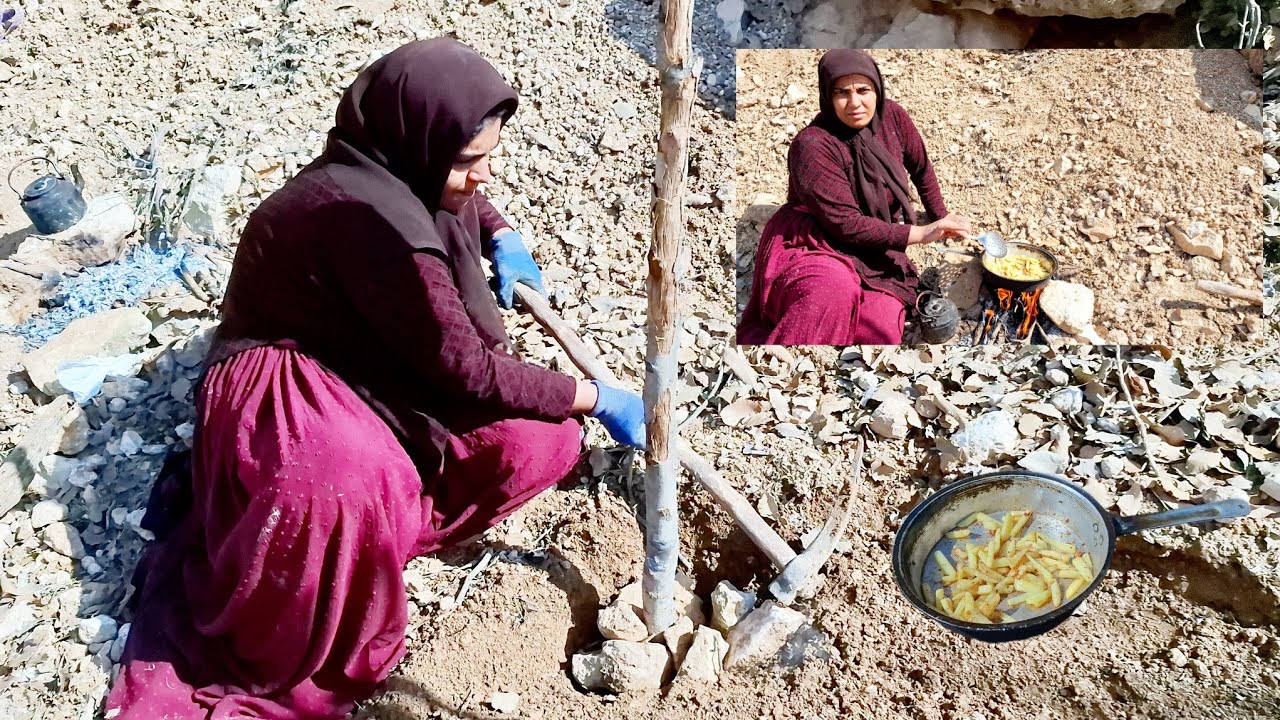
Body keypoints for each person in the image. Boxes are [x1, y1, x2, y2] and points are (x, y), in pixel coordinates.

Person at [104, 38, 645, 719]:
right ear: (414, 143)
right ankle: (335, 575)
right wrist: (596, 396)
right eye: (470, 163)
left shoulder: (407, 172)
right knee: (338, 484)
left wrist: (499, 234)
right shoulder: (374, 227)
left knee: (543, 443)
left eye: (491, 156)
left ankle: (383, 529)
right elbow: (468, 371)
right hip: (288, 361)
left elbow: (458, 201)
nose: (484, 177)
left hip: (375, 341)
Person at [738, 48, 972, 346]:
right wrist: (920, 233)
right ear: (827, 95)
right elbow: (845, 225)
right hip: (815, 241)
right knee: (829, 293)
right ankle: (779, 371)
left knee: (882, 330)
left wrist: (940, 216)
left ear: (877, 88)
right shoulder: (812, 146)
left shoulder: (893, 118)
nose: (854, 103)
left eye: (863, 90)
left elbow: (921, 167)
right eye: (841, 93)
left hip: (874, 243)